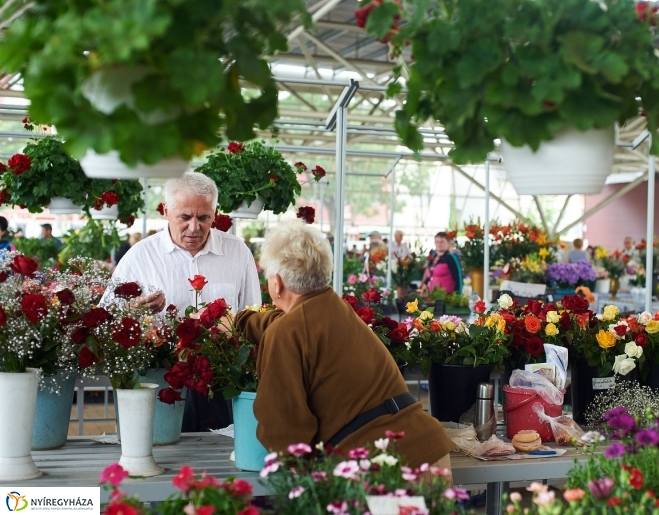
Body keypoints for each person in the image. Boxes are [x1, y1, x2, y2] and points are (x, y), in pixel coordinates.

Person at [232, 218, 454, 469]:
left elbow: (285, 432)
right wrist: (239, 320)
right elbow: (287, 323)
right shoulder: (336, 309)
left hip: (379, 466)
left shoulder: (287, 332)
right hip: (428, 447)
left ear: (277, 282)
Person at [110, 172, 261, 431]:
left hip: (221, 383)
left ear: (215, 213)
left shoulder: (237, 252)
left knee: (219, 456)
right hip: (160, 381)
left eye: (203, 217)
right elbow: (108, 313)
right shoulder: (139, 257)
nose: (194, 227)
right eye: (185, 217)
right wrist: (134, 310)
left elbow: (252, 318)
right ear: (166, 211)